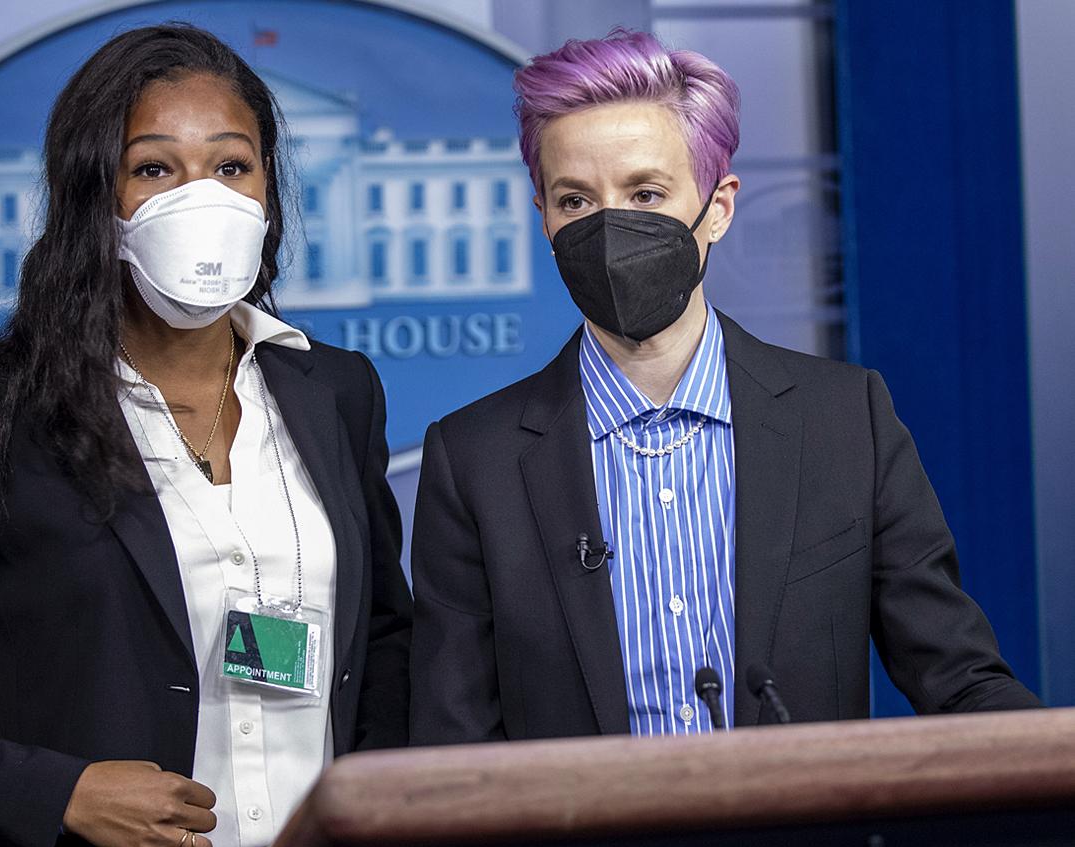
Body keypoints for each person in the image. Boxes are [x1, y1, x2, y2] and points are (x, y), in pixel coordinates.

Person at [0, 25, 411, 847]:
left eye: (233, 166)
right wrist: (64, 794)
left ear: (269, 190)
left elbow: (383, 642)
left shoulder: (336, 391)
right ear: (96, 197)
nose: (205, 199)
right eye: (154, 168)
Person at [408, 29, 1039, 746]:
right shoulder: (473, 459)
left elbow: (959, 679)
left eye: (646, 192)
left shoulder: (845, 422)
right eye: (576, 200)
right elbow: (451, 743)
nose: (612, 226)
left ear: (720, 206)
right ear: (543, 218)